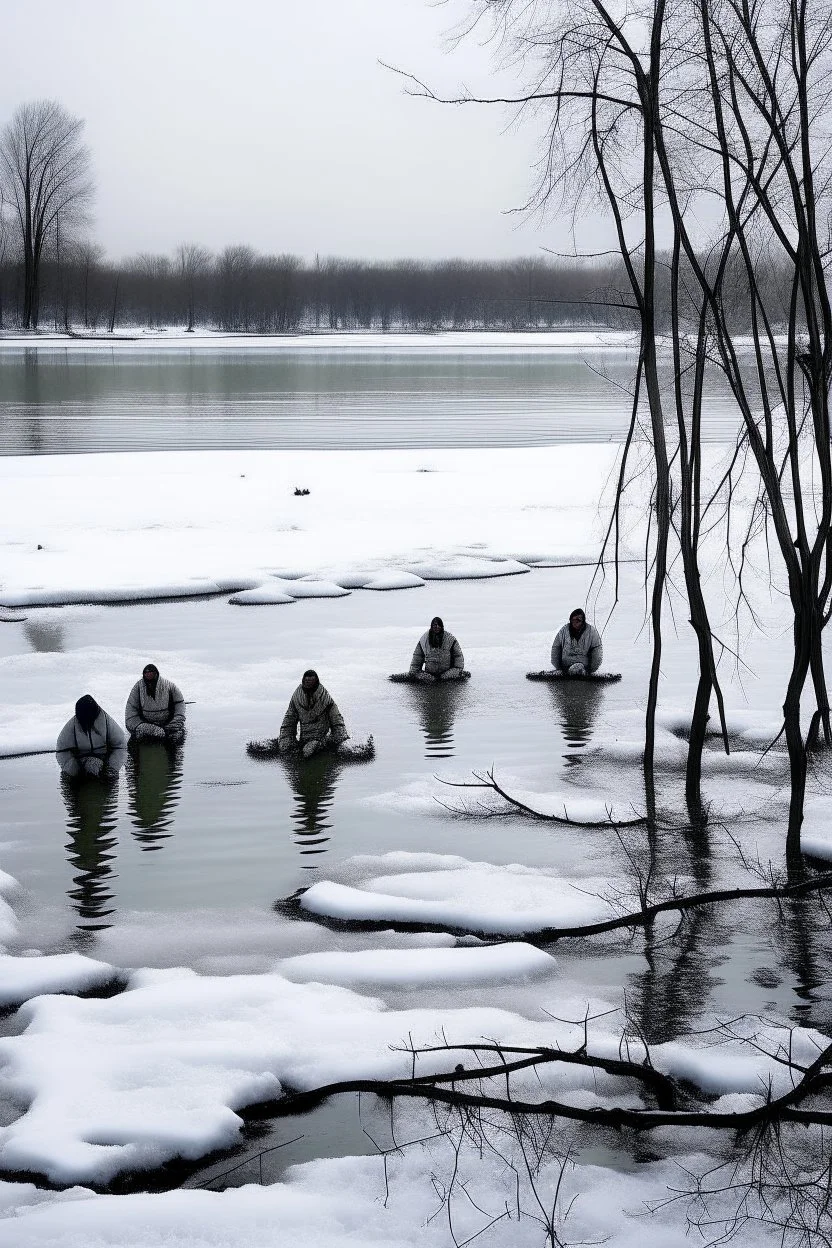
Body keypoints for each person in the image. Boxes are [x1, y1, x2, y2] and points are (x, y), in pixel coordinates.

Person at [278, 670, 349, 758]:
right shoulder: (296, 697)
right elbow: (289, 720)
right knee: (287, 746)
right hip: (305, 740)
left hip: (322, 740)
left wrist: (341, 742)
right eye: (306, 681)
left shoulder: (326, 699)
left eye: (311, 681)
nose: (308, 684)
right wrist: (286, 738)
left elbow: (337, 722)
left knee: (309, 750)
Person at [56, 694, 127, 778]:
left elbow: (120, 746)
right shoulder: (72, 726)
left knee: (106, 774)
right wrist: (73, 769)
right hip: (80, 762)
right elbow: (61, 751)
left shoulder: (106, 721)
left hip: (104, 762)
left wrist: (112, 767)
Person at [125, 663, 186, 745]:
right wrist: (144, 727)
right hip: (146, 724)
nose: (149, 675)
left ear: (156, 673)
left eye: (151, 673)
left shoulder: (169, 686)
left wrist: (174, 723)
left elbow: (179, 703)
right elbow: (131, 711)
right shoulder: (138, 687)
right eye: (146, 673)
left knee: (176, 739)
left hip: (168, 723)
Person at [551, 608, 603, 677]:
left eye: (578, 620)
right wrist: (558, 667)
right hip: (565, 665)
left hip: (583, 666)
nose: (575, 622)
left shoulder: (591, 631)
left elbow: (597, 650)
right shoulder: (563, 631)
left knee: (578, 669)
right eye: (573, 620)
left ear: (583, 620)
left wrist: (591, 670)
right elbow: (556, 647)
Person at [409, 617, 465, 681]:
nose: (437, 627)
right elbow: (417, 659)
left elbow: (458, 660)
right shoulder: (424, 640)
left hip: (447, 678)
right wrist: (423, 676)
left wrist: (448, 675)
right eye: (435, 625)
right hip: (430, 678)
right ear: (431, 626)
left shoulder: (450, 639)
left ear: (442, 626)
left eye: (439, 625)